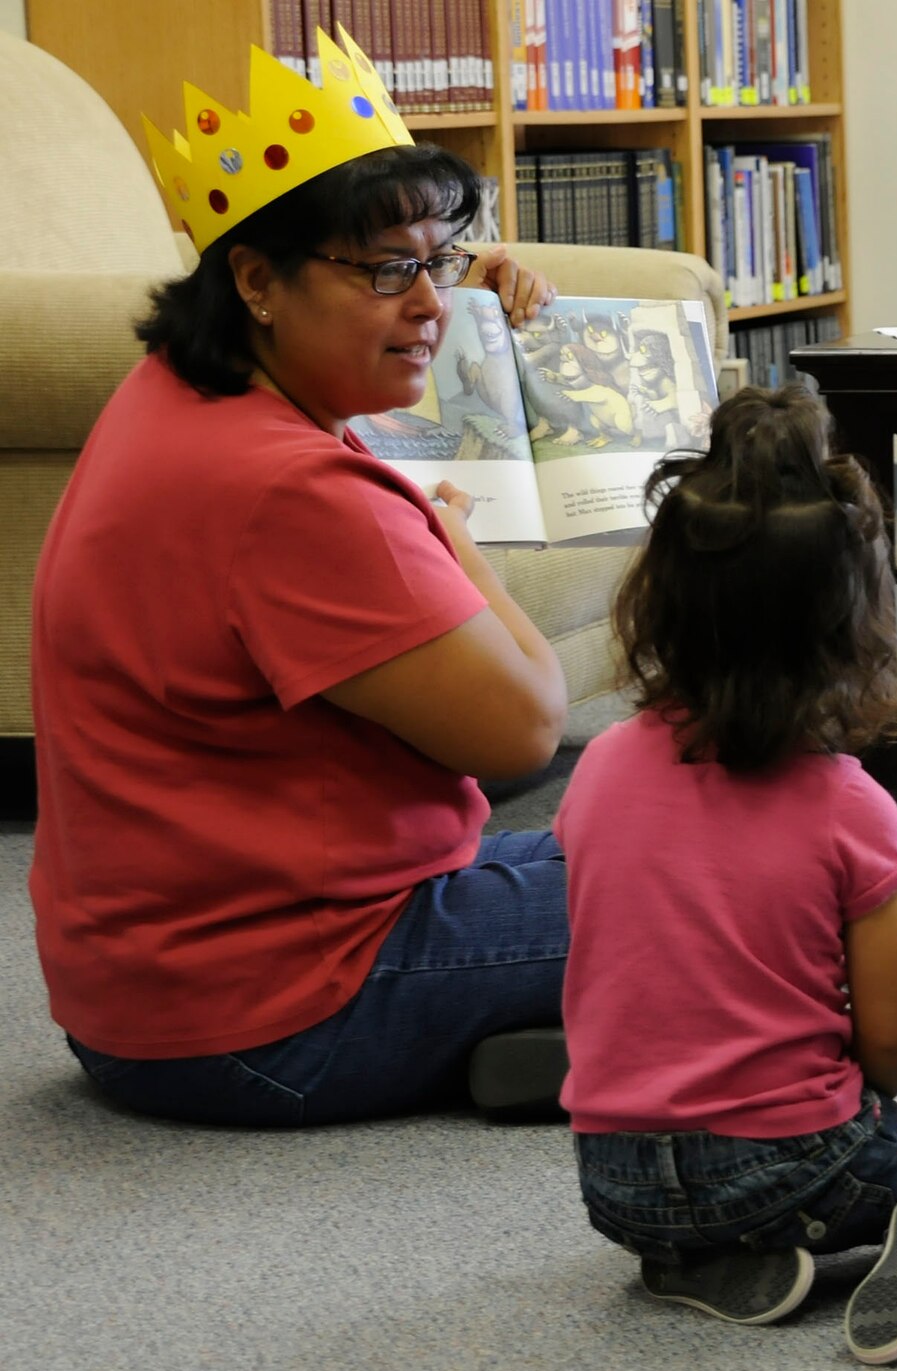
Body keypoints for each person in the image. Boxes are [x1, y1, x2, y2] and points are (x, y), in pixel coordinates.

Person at [31, 34, 569, 1126]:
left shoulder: (177, 395)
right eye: (386, 269)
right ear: (256, 279)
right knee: (756, 865)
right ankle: (640, 1038)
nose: (431, 304)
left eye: (440, 263)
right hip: (275, 1012)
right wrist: (454, 545)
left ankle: (576, 1034)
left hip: (147, 993)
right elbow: (525, 730)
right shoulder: (291, 490)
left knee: (646, 824)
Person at [554, 385, 897, 1364]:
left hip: (615, 1184)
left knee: (707, 1194)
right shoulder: (849, 806)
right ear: (852, 623)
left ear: (657, 601)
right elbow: (892, 1045)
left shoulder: (595, 769)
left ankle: (699, 1260)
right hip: (791, 1164)